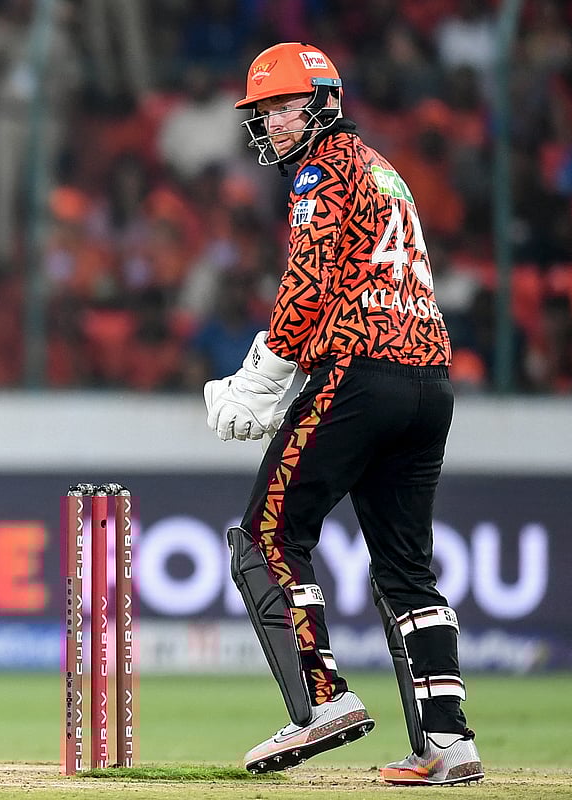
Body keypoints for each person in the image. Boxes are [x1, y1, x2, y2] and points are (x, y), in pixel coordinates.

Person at [203, 43, 483, 785]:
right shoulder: (386, 172)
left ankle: (321, 702)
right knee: (406, 571)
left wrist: (262, 375)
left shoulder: (322, 168)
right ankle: (448, 744)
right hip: (428, 381)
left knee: (266, 534)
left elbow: (310, 278)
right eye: (262, 110)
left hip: (361, 367)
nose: (269, 122)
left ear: (323, 101)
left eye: (280, 105)